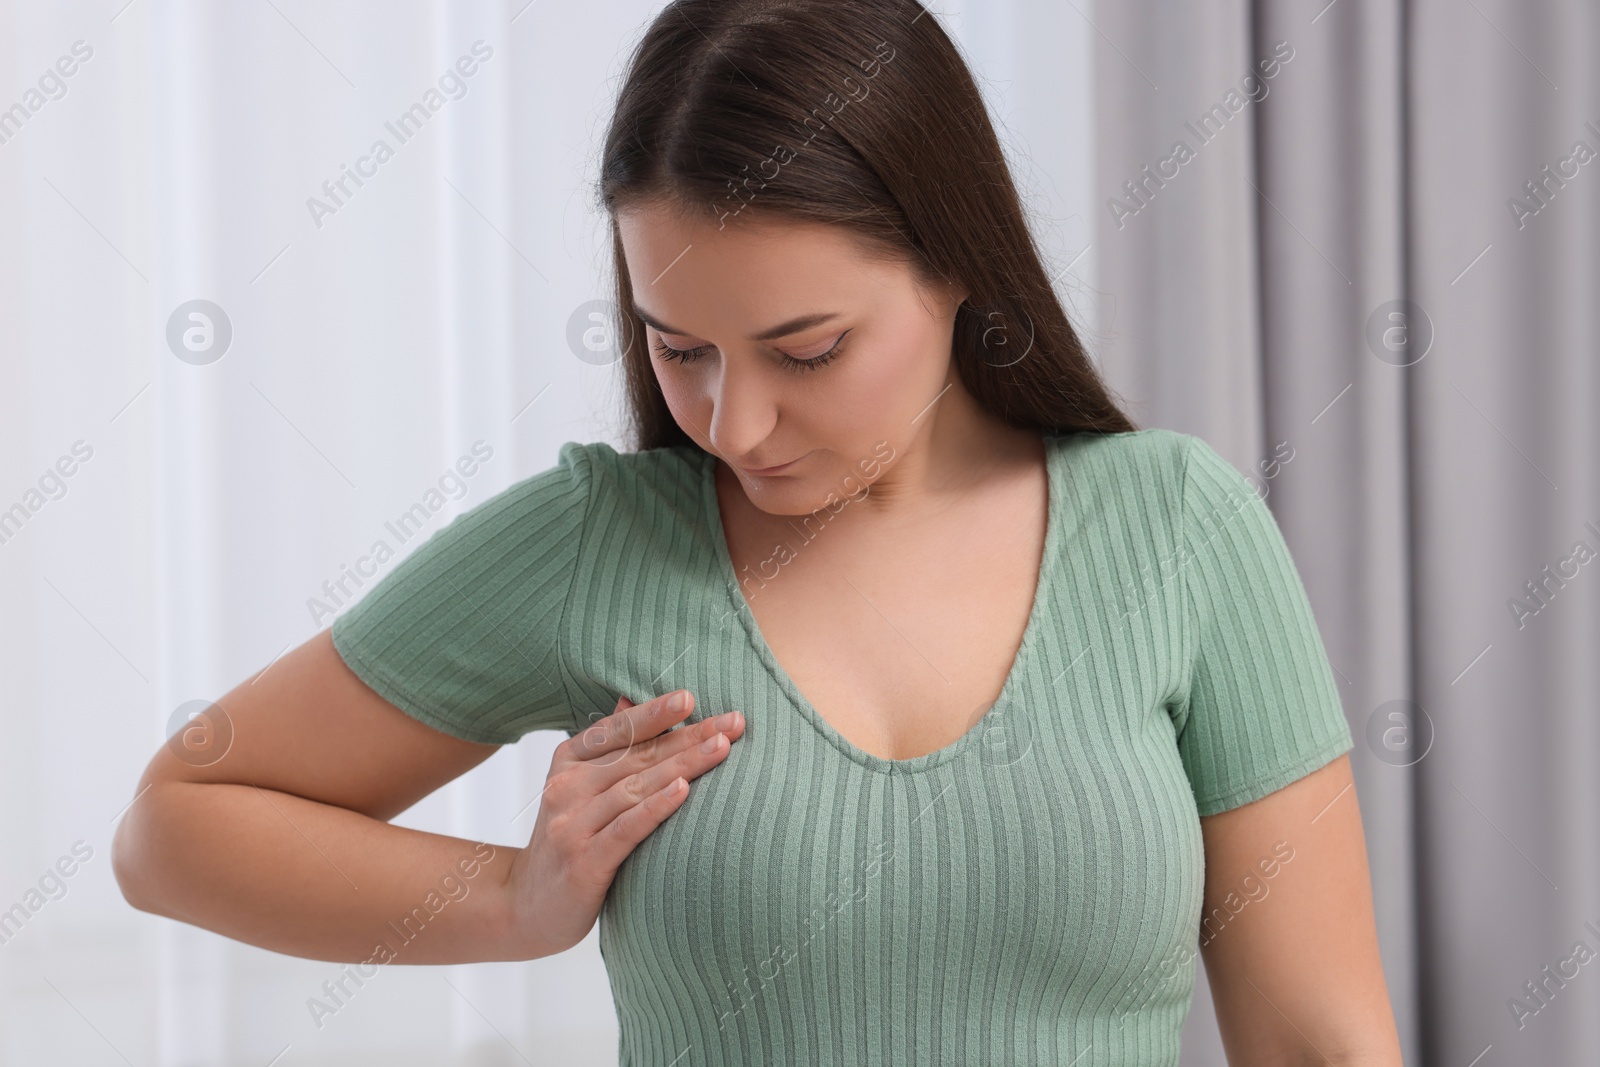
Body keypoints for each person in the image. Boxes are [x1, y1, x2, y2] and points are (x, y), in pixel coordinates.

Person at [112, 1, 1404, 1063]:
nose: (736, 423)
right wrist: (513, 901)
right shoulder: (594, 544)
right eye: (681, 350)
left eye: (807, 349)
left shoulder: (1176, 525)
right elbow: (176, 827)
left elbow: (1320, 1039)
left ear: (959, 265)